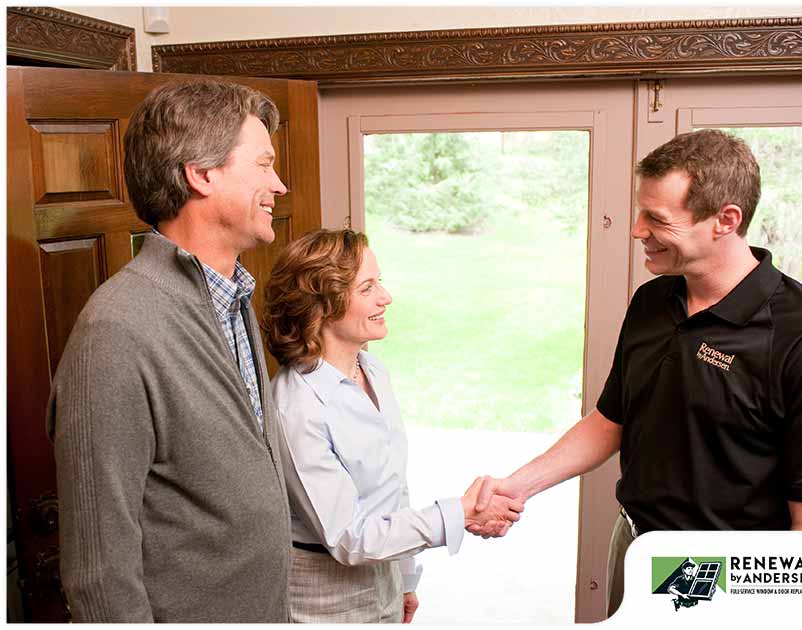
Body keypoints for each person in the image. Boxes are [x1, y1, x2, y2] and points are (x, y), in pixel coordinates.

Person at [469, 129, 802, 616]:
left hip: (722, 571)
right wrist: (517, 487)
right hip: (634, 538)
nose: (638, 230)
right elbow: (611, 420)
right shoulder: (652, 301)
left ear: (726, 220)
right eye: (641, 212)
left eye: (658, 219)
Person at [46, 80, 293, 622]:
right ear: (201, 174)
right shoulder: (115, 331)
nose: (278, 184)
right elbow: (99, 574)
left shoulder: (232, 299)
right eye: (263, 164)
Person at [262, 229, 524, 623]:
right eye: (367, 287)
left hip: (382, 577)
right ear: (322, 304)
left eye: (379, 282)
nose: (385, 297)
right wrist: (460, 512)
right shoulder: (296, 406)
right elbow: (349, 537)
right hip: (325, 599)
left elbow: (391, 488)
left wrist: (404, 578)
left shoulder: (371, 370)